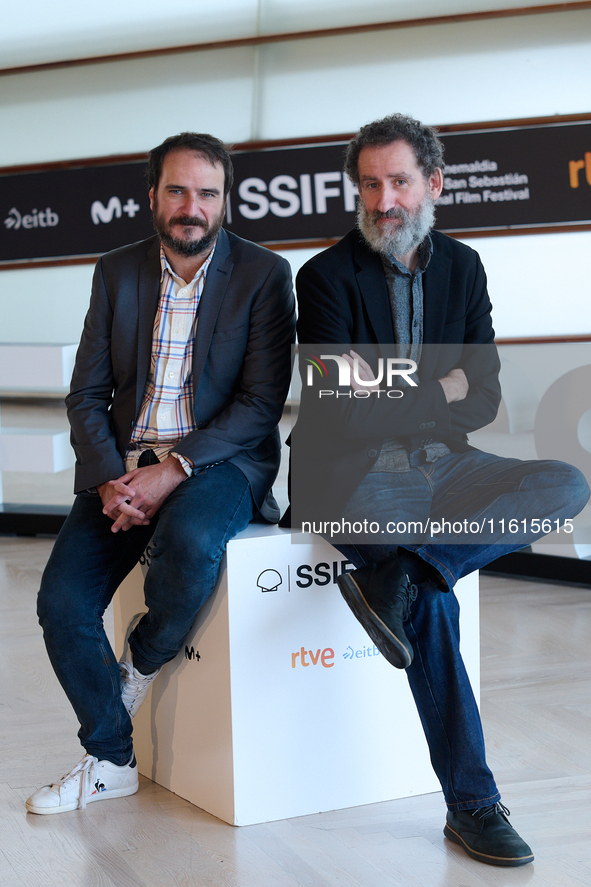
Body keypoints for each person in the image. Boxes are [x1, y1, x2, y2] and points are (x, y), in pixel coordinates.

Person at [288, 113, 590, 867]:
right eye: (367, 183)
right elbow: (337, 405)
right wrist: (434, 383)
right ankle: (471, 802)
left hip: (445, 463)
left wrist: (395, 386)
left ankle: (411, 569)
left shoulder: (463, 267)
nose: (381, 198)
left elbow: (483, 397)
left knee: (564, 480)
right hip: (352, 474)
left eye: (397, 180)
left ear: (433, 184)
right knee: (436, 605)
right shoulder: (323, 277)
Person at [26, 132, 295, 815]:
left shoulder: (264, 275)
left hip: (221, 460)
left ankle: (140, 660)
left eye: (207, 192)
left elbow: (261, 404)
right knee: (60, 603)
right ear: (152, 196)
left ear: (225, 200)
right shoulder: (116, 271)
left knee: (191, 541)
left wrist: (174, 467)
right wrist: (113, 476)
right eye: (176, 190)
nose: (191, 207)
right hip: (123, 464)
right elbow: (85, 394)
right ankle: (112, 757)